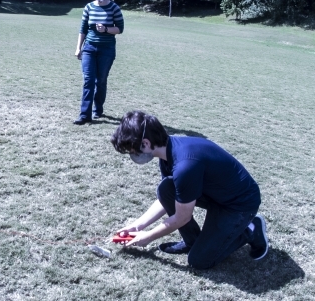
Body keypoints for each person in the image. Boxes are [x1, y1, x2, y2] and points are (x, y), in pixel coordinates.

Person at [109, 110, 268, 269]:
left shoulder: (185, 165)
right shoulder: (167, 151)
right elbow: (168, 198)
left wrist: (148, 237)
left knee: (199, 261)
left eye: (131, 149)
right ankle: (192, 241)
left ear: (146, 143)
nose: (132, 154)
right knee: (166, 189)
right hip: (216, 194)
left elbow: (182, 217)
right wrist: (137, 227)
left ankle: (251, 228)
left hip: (238, 205)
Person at [72, 0, 124, 125]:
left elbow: (120, 28)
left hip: (106, 50)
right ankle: (84, 115)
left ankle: (98, 109)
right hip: (89, 48)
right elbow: (83, 29)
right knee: (88, 80)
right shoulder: (88, 7)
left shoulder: (114, 8)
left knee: (100, 81)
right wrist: (78, 48)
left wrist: (106, 29)